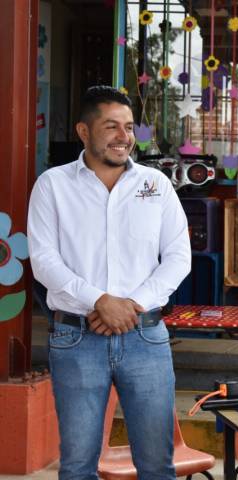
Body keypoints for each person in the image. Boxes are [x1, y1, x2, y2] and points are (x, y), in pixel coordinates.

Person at [28, 86, 191, 478]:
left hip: (145, 337)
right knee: (77, 465)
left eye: (129, 127)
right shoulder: (53, 185)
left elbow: (178, 257)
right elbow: (44, 261)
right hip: (76, 338)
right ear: (84, 131)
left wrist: (129, 306)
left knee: (157, 465)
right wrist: (100, 301)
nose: (124, 136)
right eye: (112, 126)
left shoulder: (156, 184)